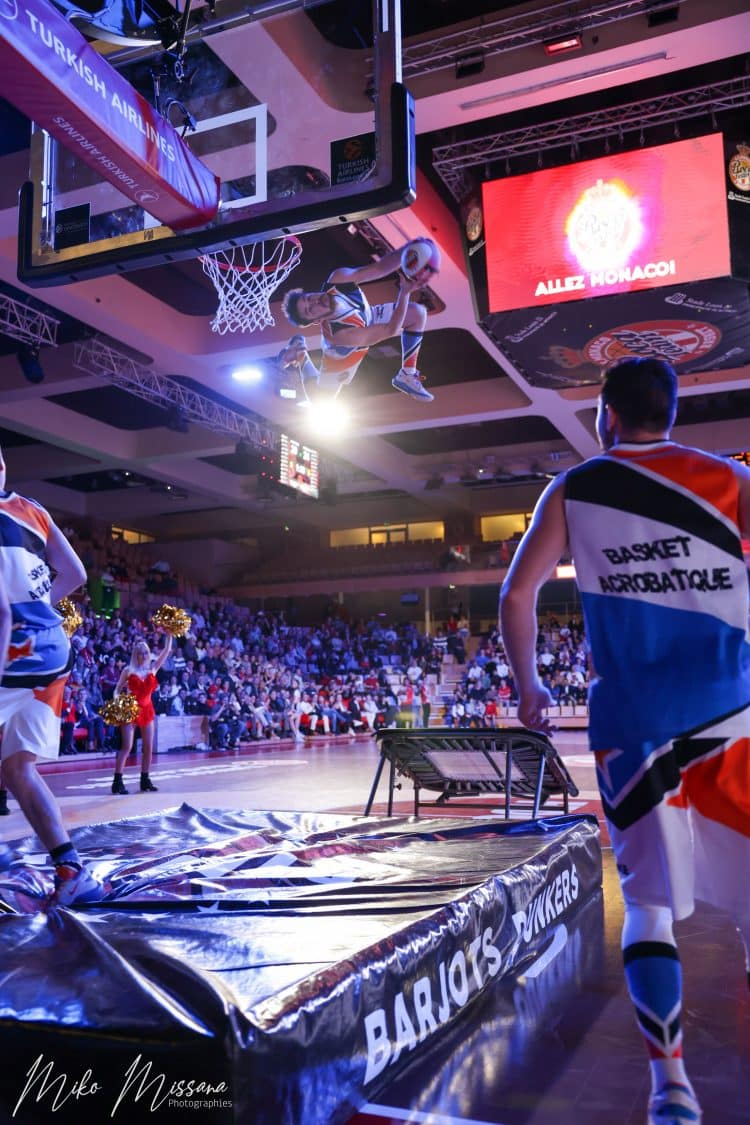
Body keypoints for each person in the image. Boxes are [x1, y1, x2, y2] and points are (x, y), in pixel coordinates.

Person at [498, 357, 750, 1125]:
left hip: (630, 727)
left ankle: (669, 1091)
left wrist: (530, 685)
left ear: (607, 413)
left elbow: (517, 594)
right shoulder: (734, 480)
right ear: (671, 411)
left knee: (646, 910)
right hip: (732, 718)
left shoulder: (575, 488)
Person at [0, 447, 104, 905]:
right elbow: (76, 574)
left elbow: (0, 613)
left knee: (17, 766)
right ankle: (71, 868)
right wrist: (39, 608)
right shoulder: (32, 508)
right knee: (18, 766)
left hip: (12, 648)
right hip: (53, 646)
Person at [279, 241, 437, 403]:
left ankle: (407, 375)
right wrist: (404, 292)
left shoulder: (338, 279)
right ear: (317, 320)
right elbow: (390, 330)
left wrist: (407, 251)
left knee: (417, 313)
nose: (314, 303)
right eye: (310, 310)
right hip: (344, 354)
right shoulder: (340, 336)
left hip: (368, 317)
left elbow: (379, 268)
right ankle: (301, 355)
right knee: (320, 401)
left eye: (309, 298)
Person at [111, 633, 172, 794]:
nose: (143, 655)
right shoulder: (128, 670)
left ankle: (145, 780)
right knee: (127, 747)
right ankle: (117, 782)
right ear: (135, 655)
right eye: (140, 653)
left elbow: (166, 650)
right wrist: (118, 702)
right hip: (131, 710)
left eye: (145, 652)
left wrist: (170, 634)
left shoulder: (153, 668)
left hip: (147, 710)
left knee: (148, 747)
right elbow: (117, 689)